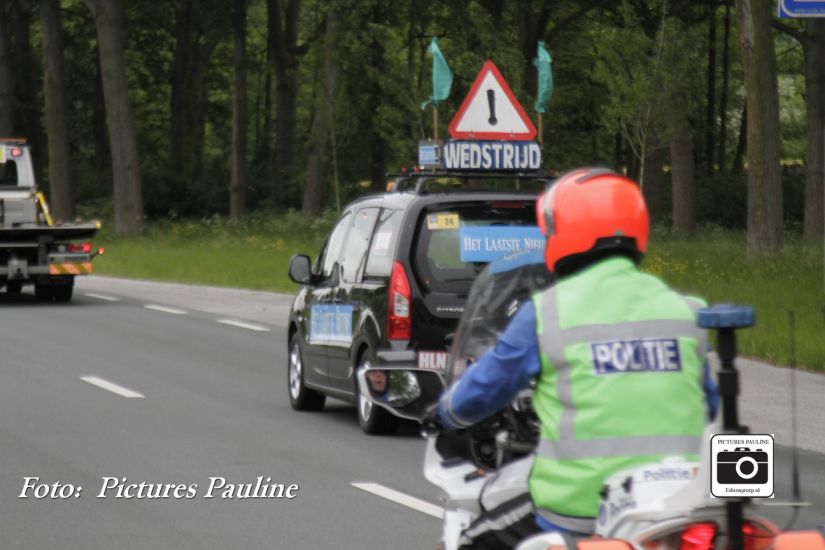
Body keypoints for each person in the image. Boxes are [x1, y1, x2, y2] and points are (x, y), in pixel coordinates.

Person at [431, 168, 719, 549]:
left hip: (580, 511)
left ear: (565, 230)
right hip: (677, 511)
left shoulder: (546, 313)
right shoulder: (687, 310)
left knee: (472, 541)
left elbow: (486, 387)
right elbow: (710, 405)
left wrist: (444, 412)